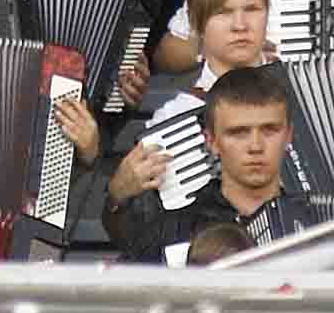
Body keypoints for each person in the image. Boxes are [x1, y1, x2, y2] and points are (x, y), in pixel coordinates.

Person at [110, 64, 316, 255]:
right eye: (239, 133)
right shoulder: (174, 231)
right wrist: (116, 196)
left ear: (288, 136)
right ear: (211, 141)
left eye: (269, 130)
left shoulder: (319, 220)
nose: (256, 146)